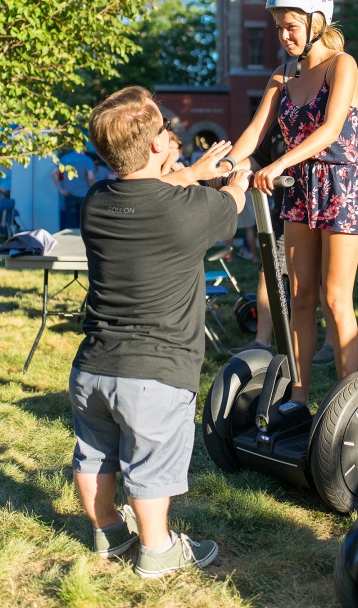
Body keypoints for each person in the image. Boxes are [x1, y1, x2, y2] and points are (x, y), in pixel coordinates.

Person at [68, 85, 249, 579]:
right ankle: (157, 550)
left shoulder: (96, 202)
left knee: (94, 455)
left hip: (93, 368)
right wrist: (241, 173)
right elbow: (232, 202)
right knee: (150, 468)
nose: (171, 137)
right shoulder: (189, 211)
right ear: (153, 147)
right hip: (157, 373)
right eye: (165, 131)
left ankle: (108, 532)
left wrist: (189, 173)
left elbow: (146, 190)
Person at [221, 0, 358, 407]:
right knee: (298, 296)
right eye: (279, 28)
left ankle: (348, 403)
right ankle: (299, 399)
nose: (283, 36)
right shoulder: (282, 76)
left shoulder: (343, 65)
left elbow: (330, 130)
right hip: (301, 188)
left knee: (335, 296)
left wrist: (280, 161)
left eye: (291, 26)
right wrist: (226, 166)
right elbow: (252, 134)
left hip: (341, 184)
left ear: (316, 21)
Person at [229, 120, 334, 364]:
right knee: (268, 273)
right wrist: (228, 167)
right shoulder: (278, 126)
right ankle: (262, 342)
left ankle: (330, 343)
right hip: (284, 214)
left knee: (322, 281)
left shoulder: (321, 118)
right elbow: (258, 159)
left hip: (322, 212)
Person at [51, 150, 96, 229]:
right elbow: (91, 179)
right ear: (84, 148)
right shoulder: (87, 159)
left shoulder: (65, 158)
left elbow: (53, 173)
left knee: (70, 222)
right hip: (85, 194)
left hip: (70, 194)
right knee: (85, 222)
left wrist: (61, 189)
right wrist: (94, 192)